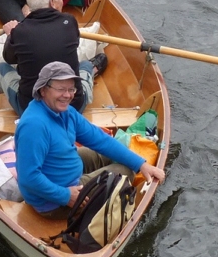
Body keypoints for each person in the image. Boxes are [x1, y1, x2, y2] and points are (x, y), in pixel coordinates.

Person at [14, 61, 166, 218]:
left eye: (71, 89)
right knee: (125, 172)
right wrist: (66, 196)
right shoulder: (34, 126)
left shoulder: (66, 112)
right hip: (55, 202)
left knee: (117, 153)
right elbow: (28, 178)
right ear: (43, 90)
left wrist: (141, 164)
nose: (67, 95)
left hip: (66, 175)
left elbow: (100, 140)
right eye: (61, 89)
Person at [0, 0, 107, 115]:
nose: (63, 0)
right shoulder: (70, 22)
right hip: (73, 107)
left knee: (2, 68)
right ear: (53, 3)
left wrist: (11, 34)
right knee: (85, 66)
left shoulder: (20, 31)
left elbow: (9, 58)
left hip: (30, 109)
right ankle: (92, 70)